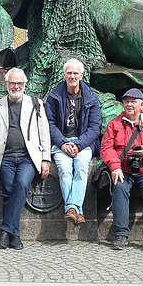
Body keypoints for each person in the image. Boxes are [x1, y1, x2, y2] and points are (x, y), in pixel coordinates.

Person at [0, 68, 51, 250]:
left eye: (20, 83)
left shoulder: (35, 103)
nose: (16, 86)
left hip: (28, 157)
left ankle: (5, 229)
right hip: (5, 157)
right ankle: (14, 235)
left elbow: (44, 132)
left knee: (22, 185)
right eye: (13, 83)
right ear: (6, 84)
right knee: (8, 191)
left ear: (25, 85)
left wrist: (45, 159)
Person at [100, 88, 143, 254]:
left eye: (134, 101)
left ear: (142, 104)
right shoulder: (114, 124)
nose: (130, 105)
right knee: (119, 190)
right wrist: (115, 167)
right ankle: (121, 234)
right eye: (127, 101)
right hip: (123, 169)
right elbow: (106, 148)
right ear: (123, 104)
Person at [45, 58, 101, 225]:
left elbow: (95, 127)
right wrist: (62, 143)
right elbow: (49, 123)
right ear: (64, 75)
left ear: (81, 75)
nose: (72, 76)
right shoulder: (54, 96)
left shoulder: (91, 97)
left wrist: (78, 144)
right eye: (69, 73)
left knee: (82, 167)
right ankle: (78, 210)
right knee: (64, 169)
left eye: (75, 73)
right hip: (60, 142)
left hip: (83, 143)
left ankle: (71, 207)